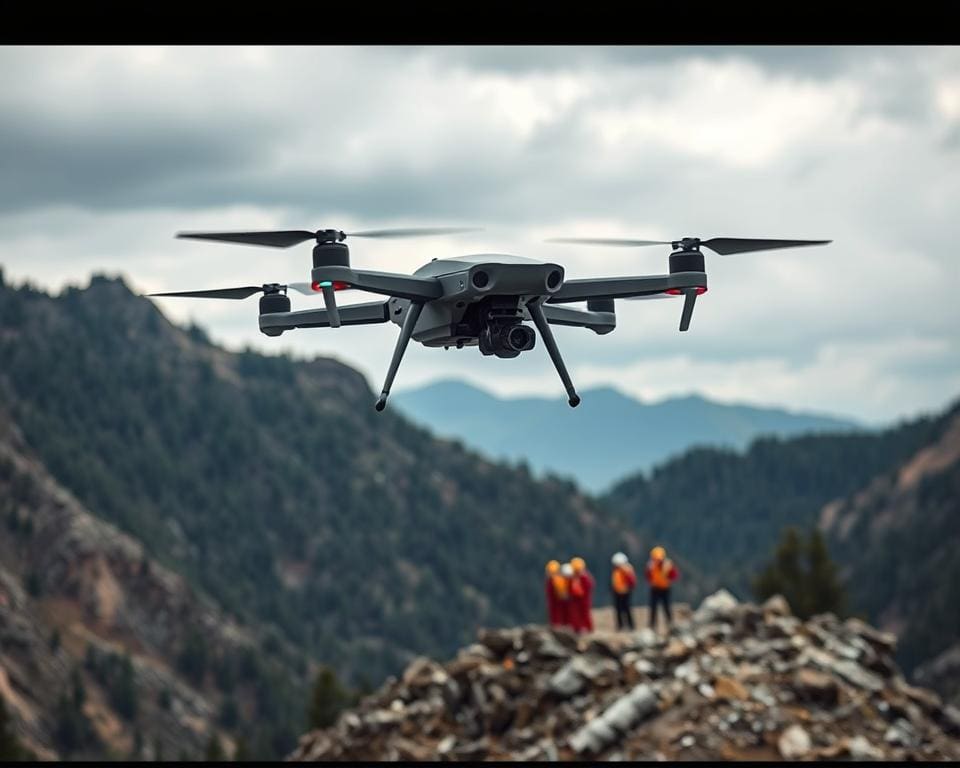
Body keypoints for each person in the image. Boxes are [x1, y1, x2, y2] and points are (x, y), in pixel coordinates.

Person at [645, 545, 679, 633]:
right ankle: (652, 626)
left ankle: (670, 625)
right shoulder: (651, 565)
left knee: (666, 607)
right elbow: (648, 575)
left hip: (665, 589)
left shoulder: (668, 564)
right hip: (655, 588)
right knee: (653, 607)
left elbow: (674, 575)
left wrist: (669, 579)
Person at [610, 552, 637, 631]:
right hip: (617, 592)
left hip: (625, 592)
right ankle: (620, 626)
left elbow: (631, 581)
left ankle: (631, 626)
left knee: (627, 609)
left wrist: (628, 588)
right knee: (618, 610)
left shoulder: (627, 570)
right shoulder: (616, 570)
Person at [569, 557, 595, 633]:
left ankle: (588, 628)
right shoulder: (573, 577)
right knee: (575, 614)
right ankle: (577, 629)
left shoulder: (584, 577)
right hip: (575, 598)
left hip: (584, 598)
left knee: (585, 613)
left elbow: (589, 587)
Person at [544, 560, 563, 626]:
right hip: (554, 602)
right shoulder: (557, 579)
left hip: (555, 602)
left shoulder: (555, 580)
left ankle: (556, 626)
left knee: (556, 614)